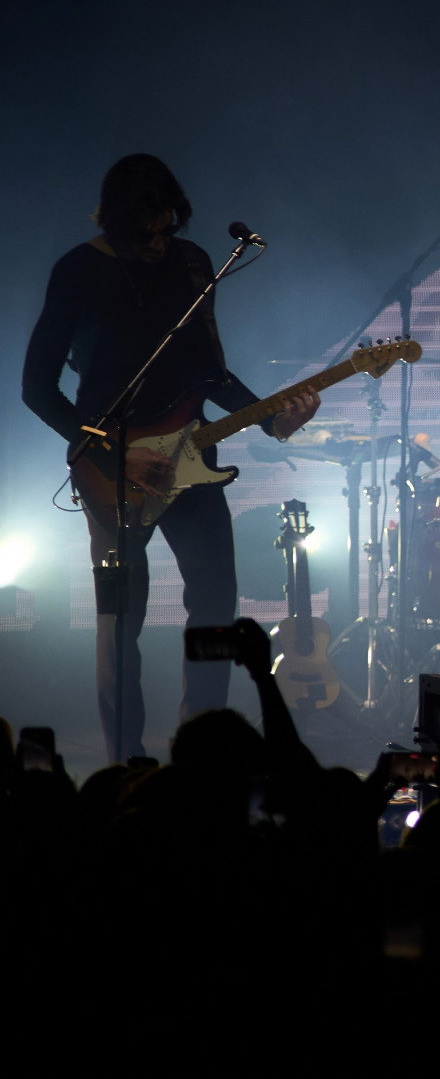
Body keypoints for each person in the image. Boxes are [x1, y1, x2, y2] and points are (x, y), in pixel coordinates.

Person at [21, 154, 319, 761]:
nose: (159, 242)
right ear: (112, 222)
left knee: (215, 600)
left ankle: (201, 749)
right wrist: (106, 452)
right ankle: (124, 761)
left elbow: (210, 372)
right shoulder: (78, 270)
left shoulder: (192, 263)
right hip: (113, 465)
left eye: (168, 228)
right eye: (145, 232)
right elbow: (37, 387)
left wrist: (273, 420)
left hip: (191, 455)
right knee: (119, 620)